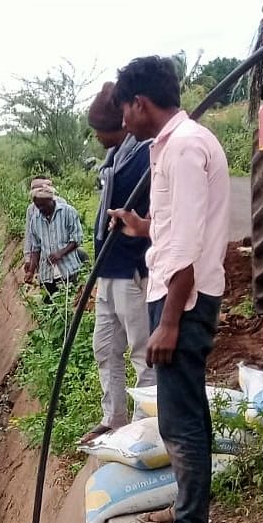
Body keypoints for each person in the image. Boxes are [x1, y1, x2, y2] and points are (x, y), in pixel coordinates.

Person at [111, 55, 229, 523]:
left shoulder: (182, 148)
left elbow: (185, 245)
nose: (122, 123)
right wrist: (142, 227)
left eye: (125, 111)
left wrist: (170, 321)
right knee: (185, 410)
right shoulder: (176, 145)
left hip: (184, 296)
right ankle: (187, 508)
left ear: (140, 103)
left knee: (181, 419)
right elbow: (179, 225)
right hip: (180, 290)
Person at [81, 81, 154, 441]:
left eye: (100, 131)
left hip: (131, 269)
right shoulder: (115, 157)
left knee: (142, 350)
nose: (97, 137)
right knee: (105, 347)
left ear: (121, 125)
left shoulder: (145, 153)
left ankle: (145, 424)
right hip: (108, 271)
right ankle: (114, 418)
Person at [22, 178, 84, 295]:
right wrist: (31, 271)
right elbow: (36, 248)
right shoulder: (35, 219)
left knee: (71, 303)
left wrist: (60, 253)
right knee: (51, 306)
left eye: (43, 205)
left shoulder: (68, 212)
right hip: (47, 275)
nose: (40, 209)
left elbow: (77, 239)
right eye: (37, 206)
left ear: (51, 200)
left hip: (69, 270)